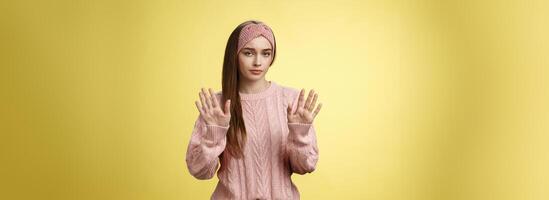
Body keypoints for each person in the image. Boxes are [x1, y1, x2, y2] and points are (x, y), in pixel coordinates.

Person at [186, 20, 323, 200]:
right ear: (234, 55)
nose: (258, 62)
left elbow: (305, 166)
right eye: (248, 53)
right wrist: (214, 134)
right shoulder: (217, 106)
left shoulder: (291, 100)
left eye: (266, 53)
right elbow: (199, 171)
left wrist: (300, 134)